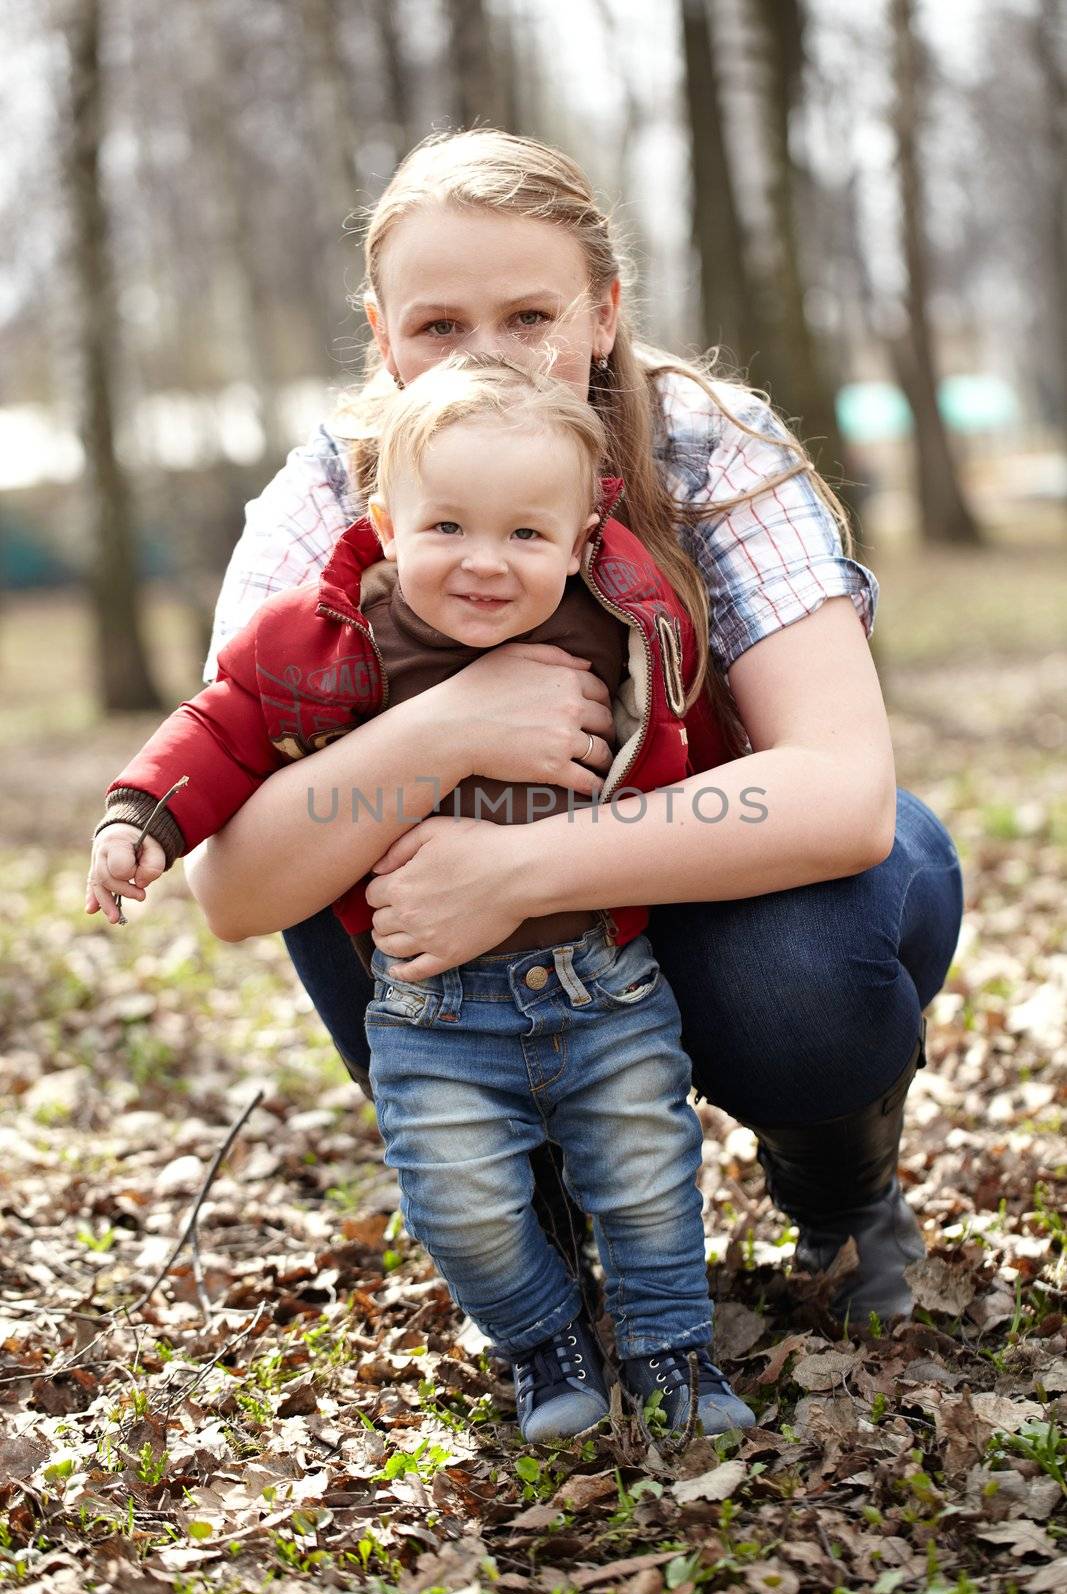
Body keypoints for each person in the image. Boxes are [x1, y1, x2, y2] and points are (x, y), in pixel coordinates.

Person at [86, 128, 963, 1349]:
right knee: (324, 821)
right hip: (469, 968)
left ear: (601, 315)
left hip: (710, 873)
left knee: (808, 978)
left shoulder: (708, 449)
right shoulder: (327, 504)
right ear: (382, 335)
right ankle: (529, 1211)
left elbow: (839, 793)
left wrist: (518, 869)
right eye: (439, 325)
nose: (488, 358)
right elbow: (238, 887)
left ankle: (841, 1193)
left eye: (530, 317)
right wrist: (448, 727)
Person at [87, 355, 757, 1443]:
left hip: (604, 983)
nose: (485, 564)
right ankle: (544, 1341)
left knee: (644, 1177)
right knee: (459, 1203)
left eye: (524, 536)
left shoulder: (622, 618)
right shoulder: (332, 637)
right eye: (446, 528)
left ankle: (671, 1351)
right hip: (431, 1008)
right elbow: (219, 726)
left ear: (583, 541)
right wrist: (140, 816)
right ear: (388, 522)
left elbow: (701, 738)